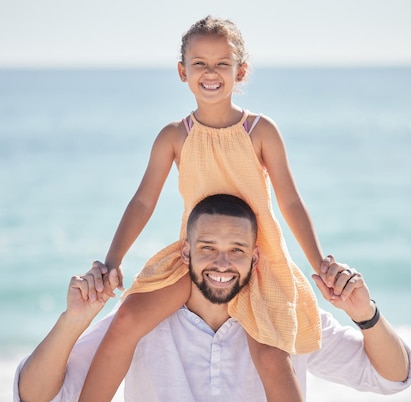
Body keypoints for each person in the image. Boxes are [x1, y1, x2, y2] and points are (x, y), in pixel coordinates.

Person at [82, 16, 327, 401]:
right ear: (182, 71)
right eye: (199, 63)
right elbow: (143, 201)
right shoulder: (175, 136)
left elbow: (291, 201)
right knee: (127, 318)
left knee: (271, 357)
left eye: (221, 64)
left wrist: (319, 264)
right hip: (197, 258)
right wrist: (112, 261)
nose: (210, 73)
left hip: (254, 263)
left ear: (240, 71)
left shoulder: (261, 131)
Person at [15, 194, 411, 402]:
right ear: (185, 252)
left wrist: (367, 316)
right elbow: (35, 396)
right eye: (207, 248)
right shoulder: (142, 323)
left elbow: (392, 377)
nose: (222, 263)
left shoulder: (286, 317)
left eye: (237, 250)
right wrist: (73, 321)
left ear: (255, 257)